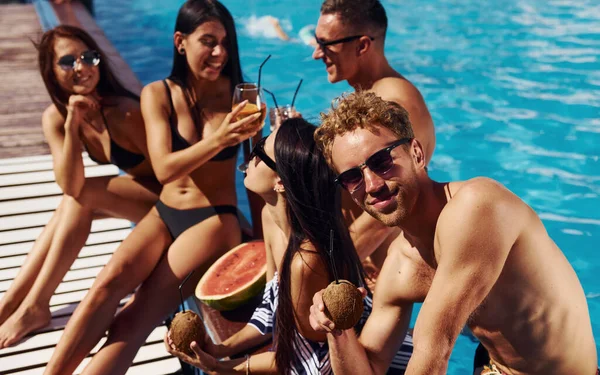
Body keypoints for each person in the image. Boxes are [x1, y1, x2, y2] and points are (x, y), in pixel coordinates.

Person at [308, 91, 598, 375]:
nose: (372, 185)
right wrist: (337, 331)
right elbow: (369, 368)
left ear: (417, 153)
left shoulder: (477, 206)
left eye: (382, 162)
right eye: (352, 177)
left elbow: (434, 350)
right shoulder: (400, 266)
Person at [43, 1, 262, 374]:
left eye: (225, 43)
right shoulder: (157, 94)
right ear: (181, 42)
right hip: (167, 210)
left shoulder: (241, 97)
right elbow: (163, 169)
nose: (219, 53)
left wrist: (261, 240)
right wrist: (220, 138)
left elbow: (257, 175)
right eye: (208, 41)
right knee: (105, 287)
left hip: (214, 220)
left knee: (134, 319)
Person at [164, 118, 414, 374]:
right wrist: (221, 349)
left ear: (280, 182)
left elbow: (312, 363)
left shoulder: (306, 261)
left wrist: (223, 368)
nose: (252, 155)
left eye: (260, 151)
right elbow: (275, 309)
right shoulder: (270, 221)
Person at [0, 25, 160, 348]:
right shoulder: (56, 118)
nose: (81, 67)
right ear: (51, 72)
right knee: (70, 203)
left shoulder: (125, 112)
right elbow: (69, 182)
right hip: (140, 195)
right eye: (68, 61)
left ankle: (35, 306)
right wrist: (73, 124)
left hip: (170, 203)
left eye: (88, 57)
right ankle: (10, 303)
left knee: (78, 199)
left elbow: (173, 177)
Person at [312, 0, 436, 279]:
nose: (316, 53)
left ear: (362, 46)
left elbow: (392, 204)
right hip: (369, 265)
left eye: (326, 43)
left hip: (388, 275)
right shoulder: (369, 97)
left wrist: (321, 272)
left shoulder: (393, 103)